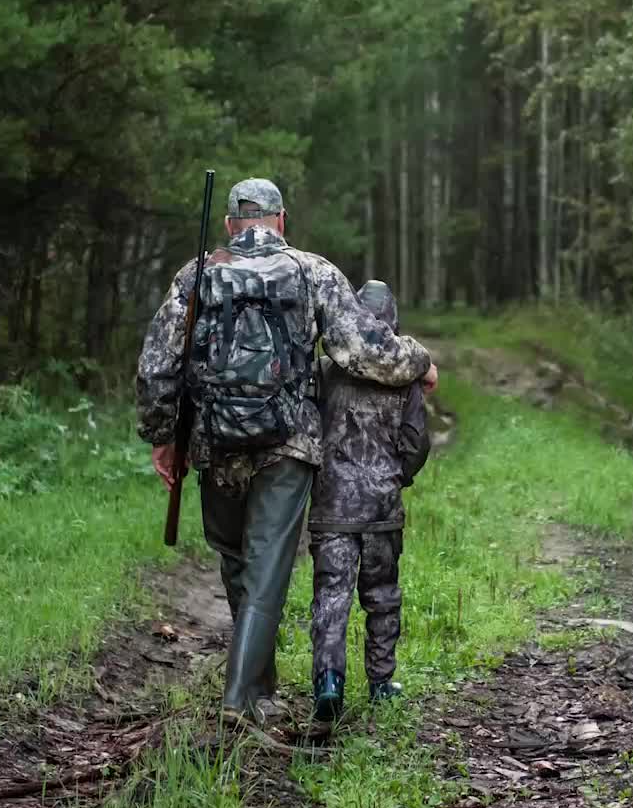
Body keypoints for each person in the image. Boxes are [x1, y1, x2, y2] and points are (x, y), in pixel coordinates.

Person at [135, 177, 437, 726]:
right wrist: (420, 362)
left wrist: (163, 436)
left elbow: (158, 365)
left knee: (235, 563)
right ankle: (241, 698)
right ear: (280, 220)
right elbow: (364, 351)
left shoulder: (195, 275)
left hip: (215, 442)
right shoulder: (312, 272)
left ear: (230, 223)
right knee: (267, 568)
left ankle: (257, 690)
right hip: (288, 443)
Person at [307, 280, 431, 724]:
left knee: (331, 597)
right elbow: (416, 442)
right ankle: (380, 682)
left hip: (331, 507)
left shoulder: (325, 373)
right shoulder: (405, 377)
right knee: (382, 596)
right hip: (382, 509)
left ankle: (328, 683)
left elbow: (305, 428)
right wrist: (397, 477)